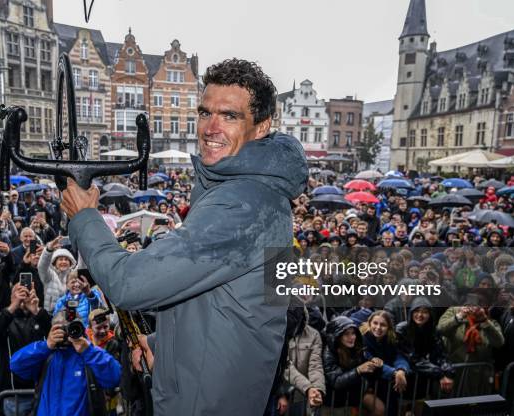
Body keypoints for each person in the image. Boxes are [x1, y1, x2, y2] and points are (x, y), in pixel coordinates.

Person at [61, 58, 308, 415]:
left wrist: (85, 217)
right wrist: (163, 346)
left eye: (229, 116)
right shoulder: (251, 192)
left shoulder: (243, 204)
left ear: (262, 126)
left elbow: (128, 284)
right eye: (205, 112)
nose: (210, 127)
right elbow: (233, 309)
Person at [9, 311, 122, 416]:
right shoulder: (46, 355)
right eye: (62, 328)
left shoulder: (89, 353)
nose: (68, 333)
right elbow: (16, 365)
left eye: (72, 328)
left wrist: (88, 350)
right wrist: (46, 345)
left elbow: (115, 377)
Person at [0, 283, 51, 413]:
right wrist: (13, 306)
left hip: (41, 392)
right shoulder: (6, 319)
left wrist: (36, 310)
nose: (23, 295)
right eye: (19, 292)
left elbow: (55, 335)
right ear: (12, 297)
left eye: (27, 291)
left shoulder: (40, 317)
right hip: (13, 394)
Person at [323, 316, 384, 416]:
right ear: (337, 336)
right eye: (347, 334)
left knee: (379, 408)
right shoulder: (329, 354)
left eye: (353, 333)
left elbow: (371, 375)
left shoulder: (357, 348)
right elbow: (336, 381)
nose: (352, 337)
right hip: (336, 401)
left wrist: (376, 365)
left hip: (355, 395)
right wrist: (358, 370)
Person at [395, 297, 455, 400]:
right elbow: (412, 357)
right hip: (404, 374)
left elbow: (440, 353)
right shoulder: (402, 329)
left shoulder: (433, 330)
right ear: (412, 312)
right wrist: (440, 374)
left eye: (425, 312)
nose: (420, 315)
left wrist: (448, 373)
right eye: (417, 311)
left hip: (424, 375)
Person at [283, 306, 325, 414]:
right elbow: (285, 367)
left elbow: (315, 365)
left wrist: (317, 390)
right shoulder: (279, 332)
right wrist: (308, 388)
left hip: (301, 395)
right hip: (281, 393)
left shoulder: (313, 334)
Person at [38, 236, 77, 312]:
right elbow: (42, 265)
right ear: (55, 262)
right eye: (60, 259)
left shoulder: (74, 274)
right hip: (51, 314)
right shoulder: (49, 275)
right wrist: (49, 250)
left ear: (70, 263)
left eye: (66, 259)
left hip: (71, 313)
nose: (63, 262)